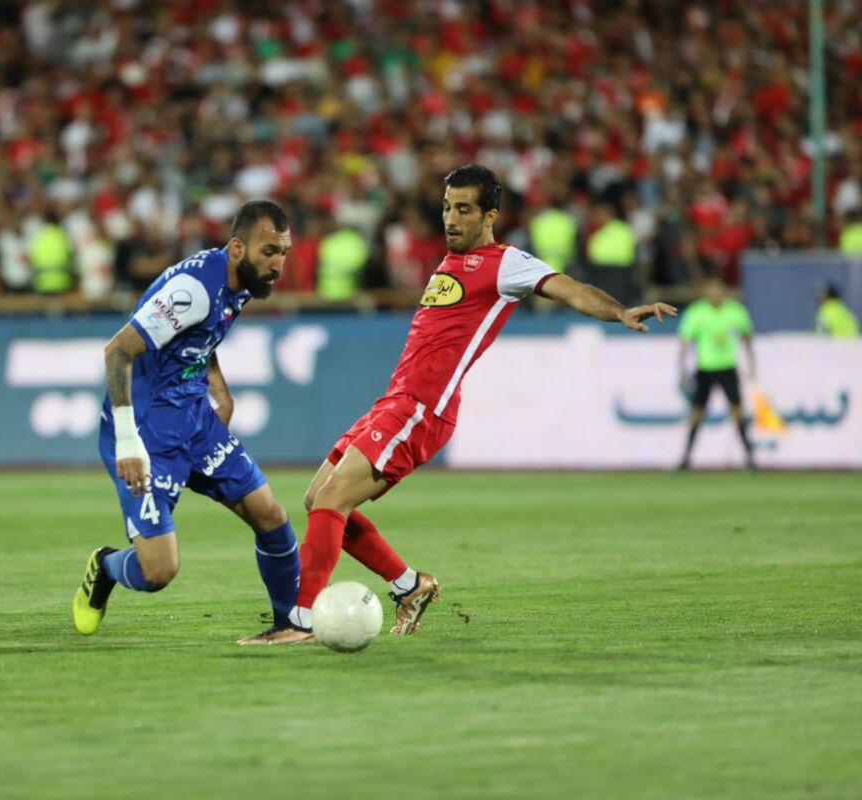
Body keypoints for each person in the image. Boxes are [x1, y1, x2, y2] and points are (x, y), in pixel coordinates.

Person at [243, 164, 677, 645]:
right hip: (394, 400)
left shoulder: (507, 263)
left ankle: (299, 622)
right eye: (447, 207)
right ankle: (410, 585)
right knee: (316, 500)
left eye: (464, 209)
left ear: (489, 215)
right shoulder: (449, 261)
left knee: (330, 501)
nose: (451, 218)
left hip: (422, 409)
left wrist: (619, 310)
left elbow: (568, 288)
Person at [72, 200, 301, 643]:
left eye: (284, 252)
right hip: (147, 432)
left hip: (195, 419)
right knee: (158, 571)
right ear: (237, 247)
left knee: (271, 514)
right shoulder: (193, 288)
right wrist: (127, 441)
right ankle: (105, 566)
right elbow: (118, 351)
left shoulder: (241, 281)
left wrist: (219, 388)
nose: (278, 264)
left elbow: (199, 335)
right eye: (269, 252)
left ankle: (289, 623)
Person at [677, 277, 757, 471]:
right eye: (712, 290)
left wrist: (752, 364)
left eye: (719, 290)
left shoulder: (736, 312)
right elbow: (685, 344)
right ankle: (686, 458)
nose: (715, 294)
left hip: (727, 368)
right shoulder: (696, 313)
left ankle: (750, 458)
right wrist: (682, 370)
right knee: (696, 413)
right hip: (705, 369)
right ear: (706, 292)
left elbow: (747, 339)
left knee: (737, 412)